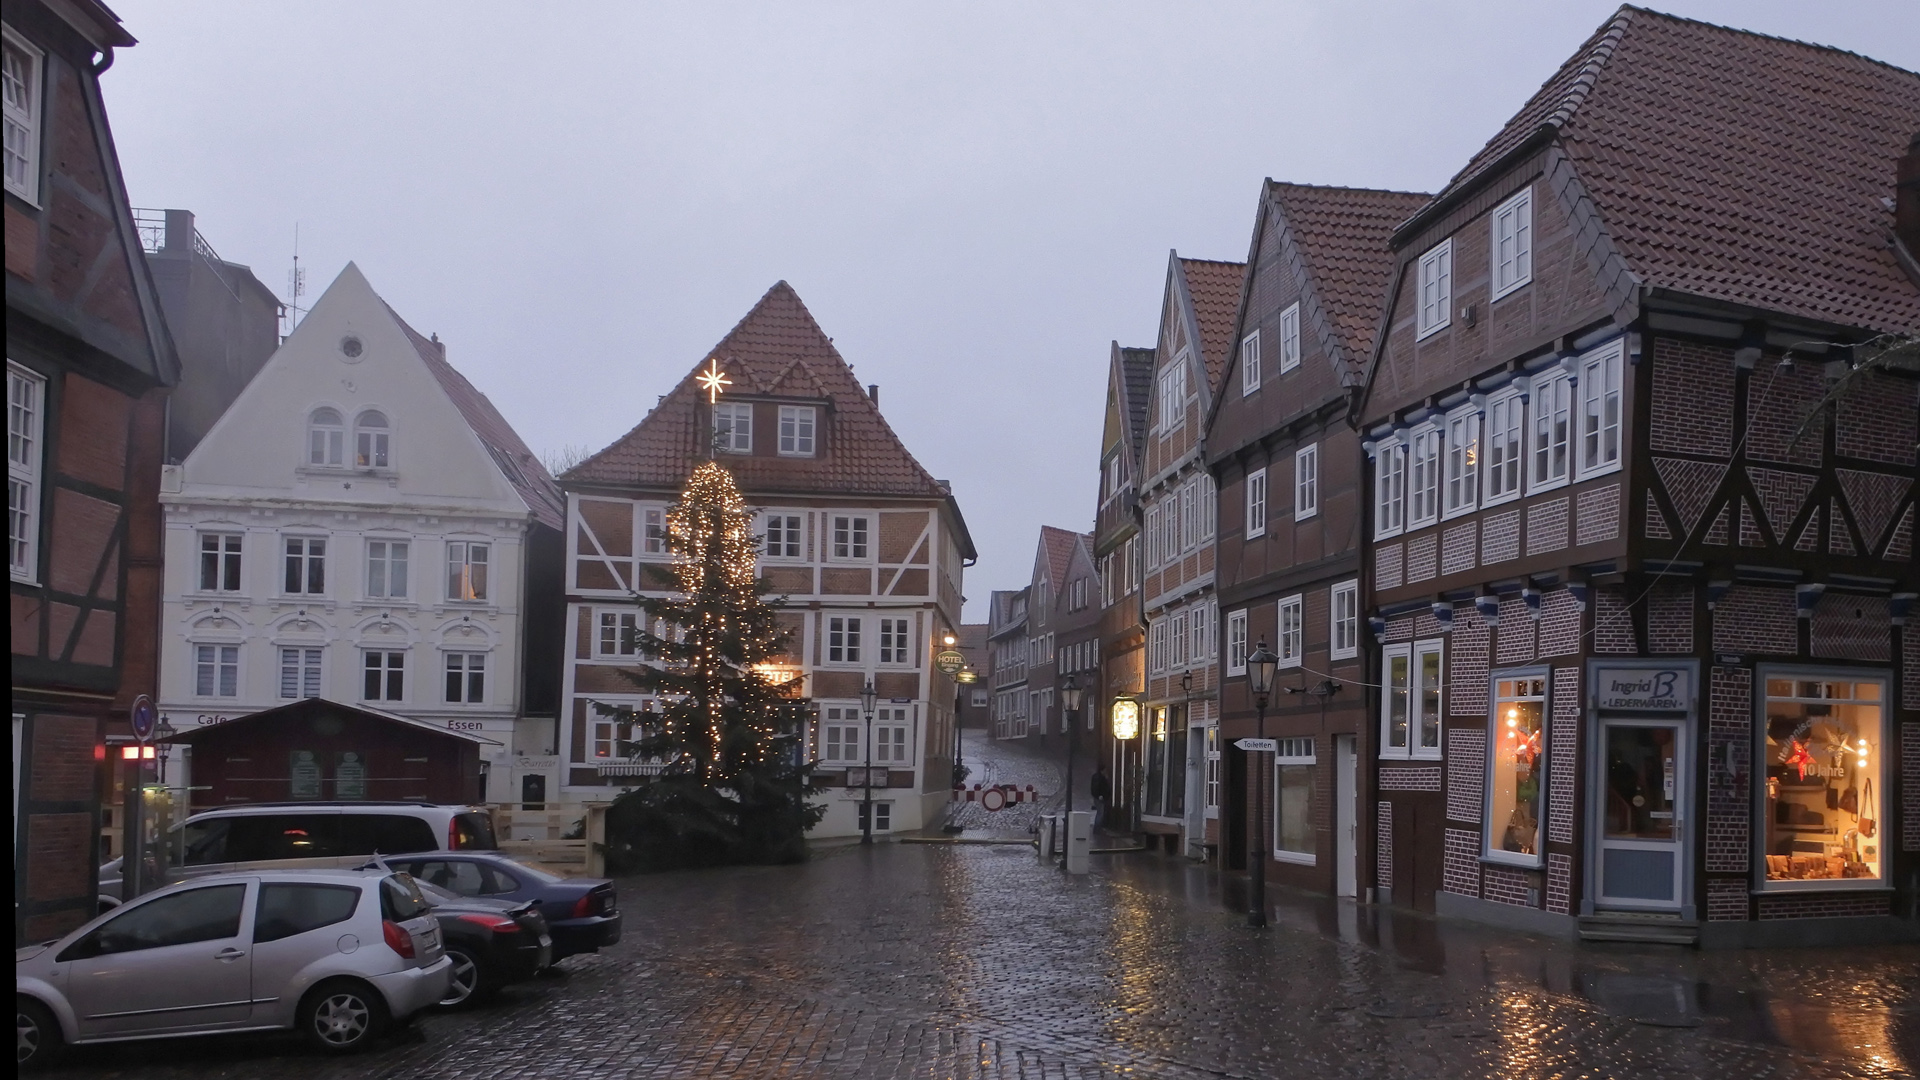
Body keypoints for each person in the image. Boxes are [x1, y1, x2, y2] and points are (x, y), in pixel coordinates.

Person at [1089, 765, 1111, 831]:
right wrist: (1100, 795)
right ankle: (1097, 828)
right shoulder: (1100, 778)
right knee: (1100, 813)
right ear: (1102, 770)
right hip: (1100, 797)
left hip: (1099, 797)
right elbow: (1100, 787)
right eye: (1105, 770)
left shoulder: (1097, 777)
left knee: (1100, 812)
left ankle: (1097, 827)